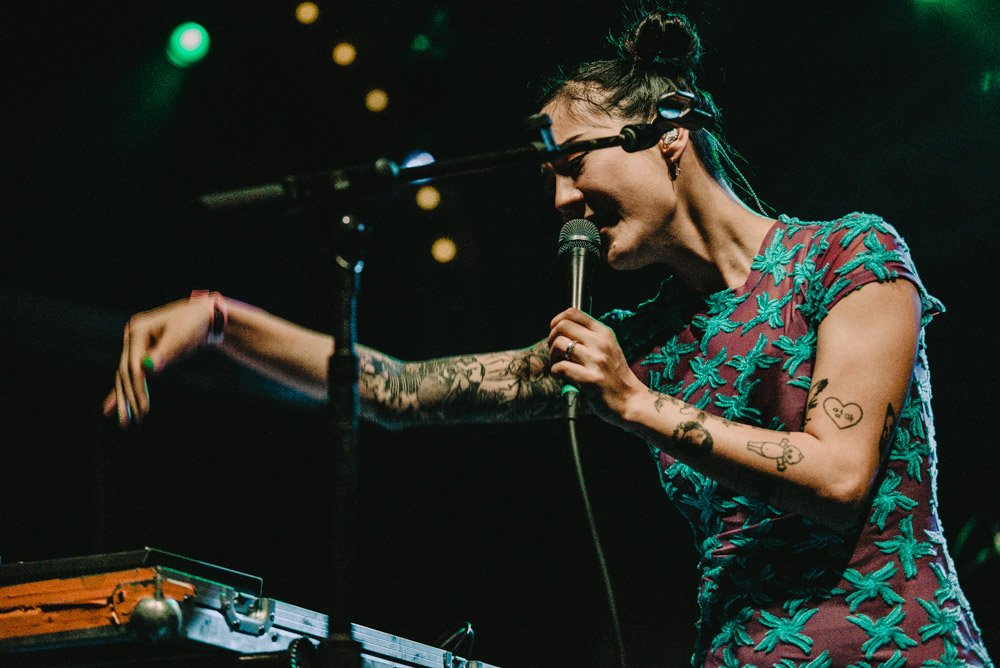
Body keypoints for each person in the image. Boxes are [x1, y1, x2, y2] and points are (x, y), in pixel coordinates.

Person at [104, 10, 992, 668]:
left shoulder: (847, 255)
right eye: (550, 178)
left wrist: (635, 405)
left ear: (670, 135)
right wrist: (222, 319)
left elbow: (837, 476)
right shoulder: (642, 343)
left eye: (574, 163)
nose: (562, 200)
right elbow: (395, 389)